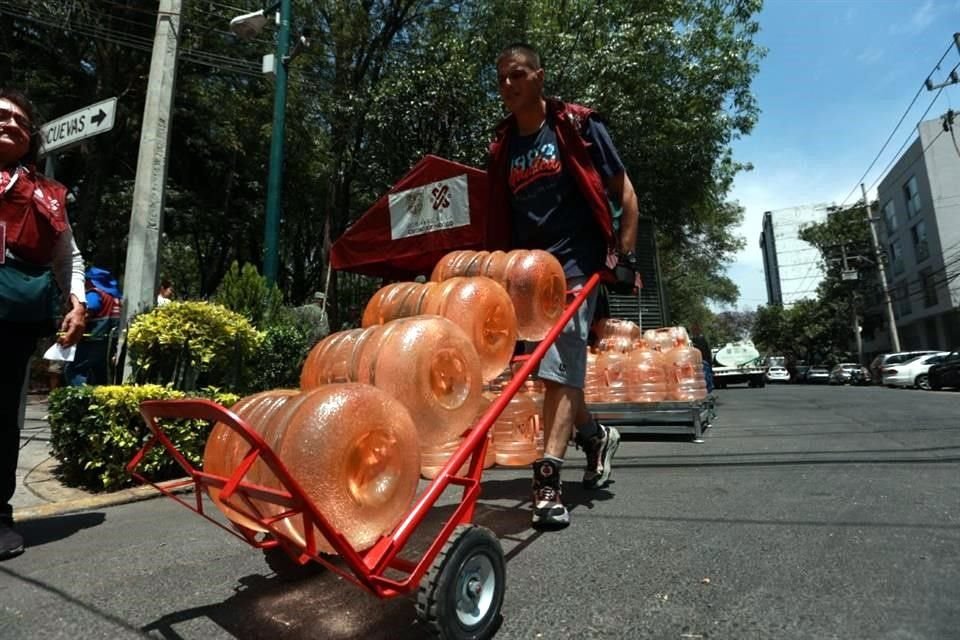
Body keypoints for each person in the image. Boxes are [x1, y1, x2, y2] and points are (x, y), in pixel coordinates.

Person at [487, 44, 641, 527]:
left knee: (559, 361)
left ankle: (548, 479)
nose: (508, 85)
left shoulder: (575, 126)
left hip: (577, 264)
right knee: (547, 368)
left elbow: (625, 194)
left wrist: (623, 255)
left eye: (517, 75)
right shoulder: (503, 145)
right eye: (501, 79)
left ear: (539, 76)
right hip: (528, 276)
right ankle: (594, 436)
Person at [0, 89, 86, 560]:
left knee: (2, 417)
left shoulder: (48, 194)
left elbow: (67, 256)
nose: (11, 123)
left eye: (21, 121)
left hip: (12, 313)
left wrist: (78, 302)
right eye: (2, 115)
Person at [64, 266, 122, 386]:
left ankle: (82, 399)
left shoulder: (94, 294)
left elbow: (90, 309)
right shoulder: (115, 297)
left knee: (74, 370)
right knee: (100, 373)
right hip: (108, 341)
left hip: (93, 339)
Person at [690, 323, 714, 393]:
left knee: (702, 377)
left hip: (700, 362)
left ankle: (704, 390)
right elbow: (708, 353)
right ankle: (706, 390)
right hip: (702, 361)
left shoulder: (695, 340)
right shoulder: (702, 339)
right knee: (704, 377)